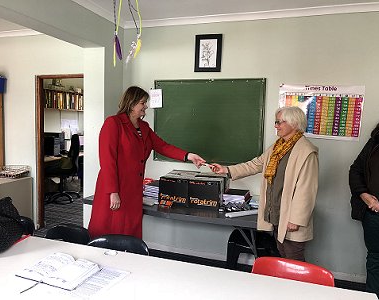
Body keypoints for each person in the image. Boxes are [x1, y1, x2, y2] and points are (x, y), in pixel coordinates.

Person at [88, 86, 206, 239]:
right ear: (131, 104)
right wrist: (113, 192)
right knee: (109, 231)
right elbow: (107, 160)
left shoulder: (144, 127)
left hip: (134, 190)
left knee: (129, 233)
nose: (146, 106)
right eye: (143, 103)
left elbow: (163, 146)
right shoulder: (113, 124)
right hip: (115, 188)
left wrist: (189, 155)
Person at [210, 106, 319, 261]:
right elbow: (255, 164)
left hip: (291, 219)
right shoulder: (278, 147)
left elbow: (307, 190)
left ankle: (295, 286)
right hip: (276, 214)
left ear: (294, 124)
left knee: (294, 261)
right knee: (281, 256)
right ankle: (283, 285)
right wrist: (226, 169)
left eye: (280, 122)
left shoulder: (306, 151)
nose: (276, 126)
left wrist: (296, 220)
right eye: (276, 122)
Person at [349, 119, 379, 300]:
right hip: (374, 214)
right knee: (376, 259)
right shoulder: (376, 140)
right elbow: (355, 171)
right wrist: (365, 196)